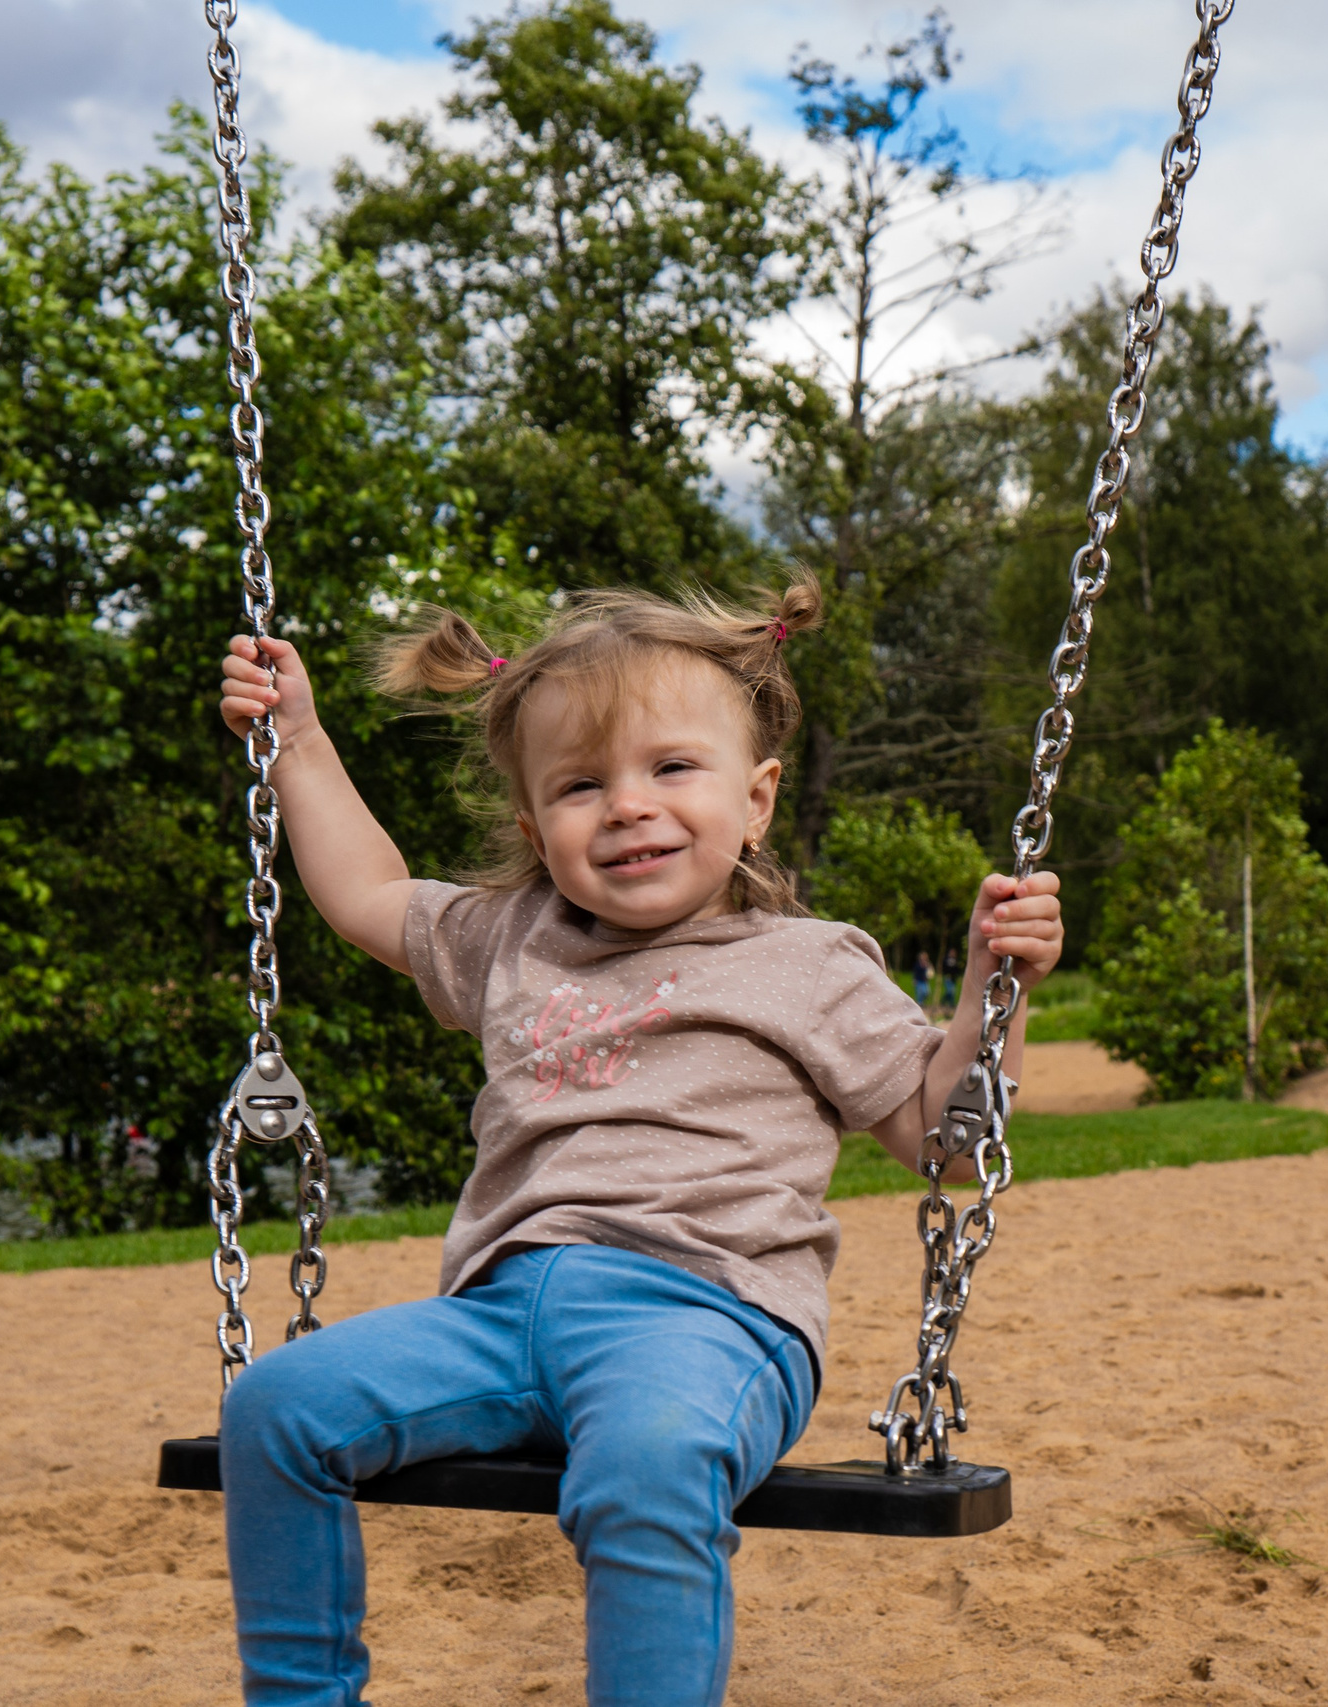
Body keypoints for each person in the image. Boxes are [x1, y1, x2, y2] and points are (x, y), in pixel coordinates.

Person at [213, 575, 1062, 1707]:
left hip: (710, 1315)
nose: (626, 806)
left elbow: (943, 1142)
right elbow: (367, 887)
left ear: (755, 798)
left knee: (646, 1467)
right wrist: (299, 738)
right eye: (579, 785)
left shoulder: (808, 964)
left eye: (670, 768)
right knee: (273, 1411)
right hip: (496, 1319)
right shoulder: (514, 939)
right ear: (532, 828)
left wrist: (989, 995)